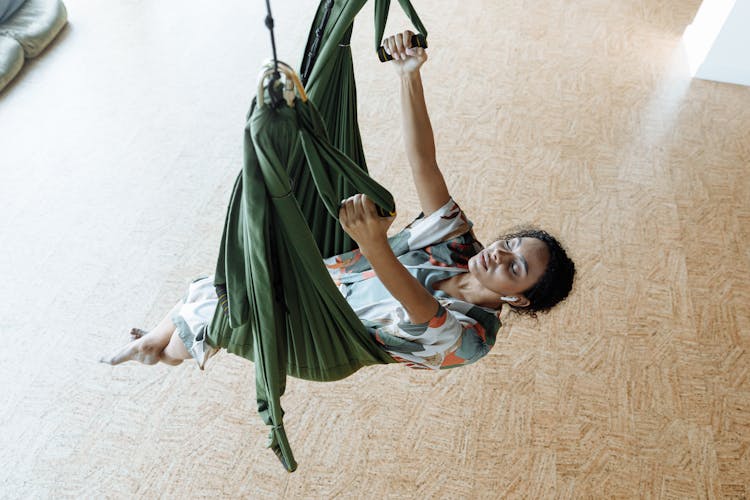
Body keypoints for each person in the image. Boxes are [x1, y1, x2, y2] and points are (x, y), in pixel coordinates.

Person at [100, 30, 575, 371]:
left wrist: (374, 244)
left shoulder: (472, 340)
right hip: (334, 272)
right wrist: (408, 76)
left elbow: (420, 311)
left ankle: (158, 349)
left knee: (230, 308)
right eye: (510, 244)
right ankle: (160, 346)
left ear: (518, 298)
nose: (498, 254)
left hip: (326, 334)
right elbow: (424, 164)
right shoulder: (459, 247)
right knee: (229, 278)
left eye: (514, 269)